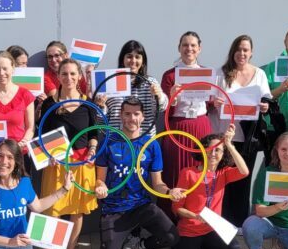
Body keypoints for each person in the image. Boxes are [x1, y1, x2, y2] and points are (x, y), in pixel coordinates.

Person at [94, 97, 185, 249]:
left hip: (141, 206)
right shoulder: (108, 142)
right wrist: (100, 187)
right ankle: (121, 240)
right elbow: (100, 180)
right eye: (127, 114)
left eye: (136, 114)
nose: (132, 118)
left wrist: (168, 191)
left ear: (143, 117)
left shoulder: (151, 145)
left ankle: (144, 245)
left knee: (172, 236)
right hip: (114, 210)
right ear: (120, 115)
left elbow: (157, 183)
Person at [36, 59, 100, 249]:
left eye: (73, 73)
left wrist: (92, 148)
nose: (69, 78)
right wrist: (48, 155)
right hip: (56, 166)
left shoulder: (87, 103)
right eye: (64, 73)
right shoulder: (49, 104)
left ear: (79, 76)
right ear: (58, 76)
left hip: (83, 165)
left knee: (77, 212)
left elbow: (95, 133)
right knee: (52, 212)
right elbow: (41, 135)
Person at [171, 127, 248, 249]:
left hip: (212, 229)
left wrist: (229, 144)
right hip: (189, 231)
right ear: (202, 150)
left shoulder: (223, 173)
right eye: (210, 149)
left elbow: (244, 171)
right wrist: (195, 216)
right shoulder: (188, 173)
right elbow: (176, 208)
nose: (213, 154)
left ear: (223, 154)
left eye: (218, 150)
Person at [214, 35, 274, 228]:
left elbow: (267, 99)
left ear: (251, 52)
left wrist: (265, 106)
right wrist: (215, 103)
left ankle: (239, 223)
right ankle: (220, 221)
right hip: (225, 136)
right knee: (223, 180)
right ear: (233, 51)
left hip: (248, 138)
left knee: (242, 180)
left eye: (245, 50)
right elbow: (210, 100)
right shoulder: (221, 73)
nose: (242, 53)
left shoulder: (260, 74)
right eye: (238, 49)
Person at [160, 32, 212, 205]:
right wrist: (173, 97)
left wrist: (216, 102)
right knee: (175, 170)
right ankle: (172, 219)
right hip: (178, 127)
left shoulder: (206, 73)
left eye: (193, 45)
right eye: (185, 45)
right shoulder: (169, 76)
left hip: (201, 126)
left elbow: (209, 103)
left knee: (200, 170)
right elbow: (164, 108)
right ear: (179, 48)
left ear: (199, 48)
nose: (189, 49)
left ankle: (198, 213)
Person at [97, 40, 167, 137]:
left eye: (137, 57)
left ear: (143, 61)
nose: (133, 61)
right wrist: (101, 107)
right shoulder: (110, 81)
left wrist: (159, 96)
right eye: (129, 56)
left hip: (144, 142)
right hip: (116, 142)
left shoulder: (150, 82)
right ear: (123, 59)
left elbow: (162, 107)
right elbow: (101, 122)